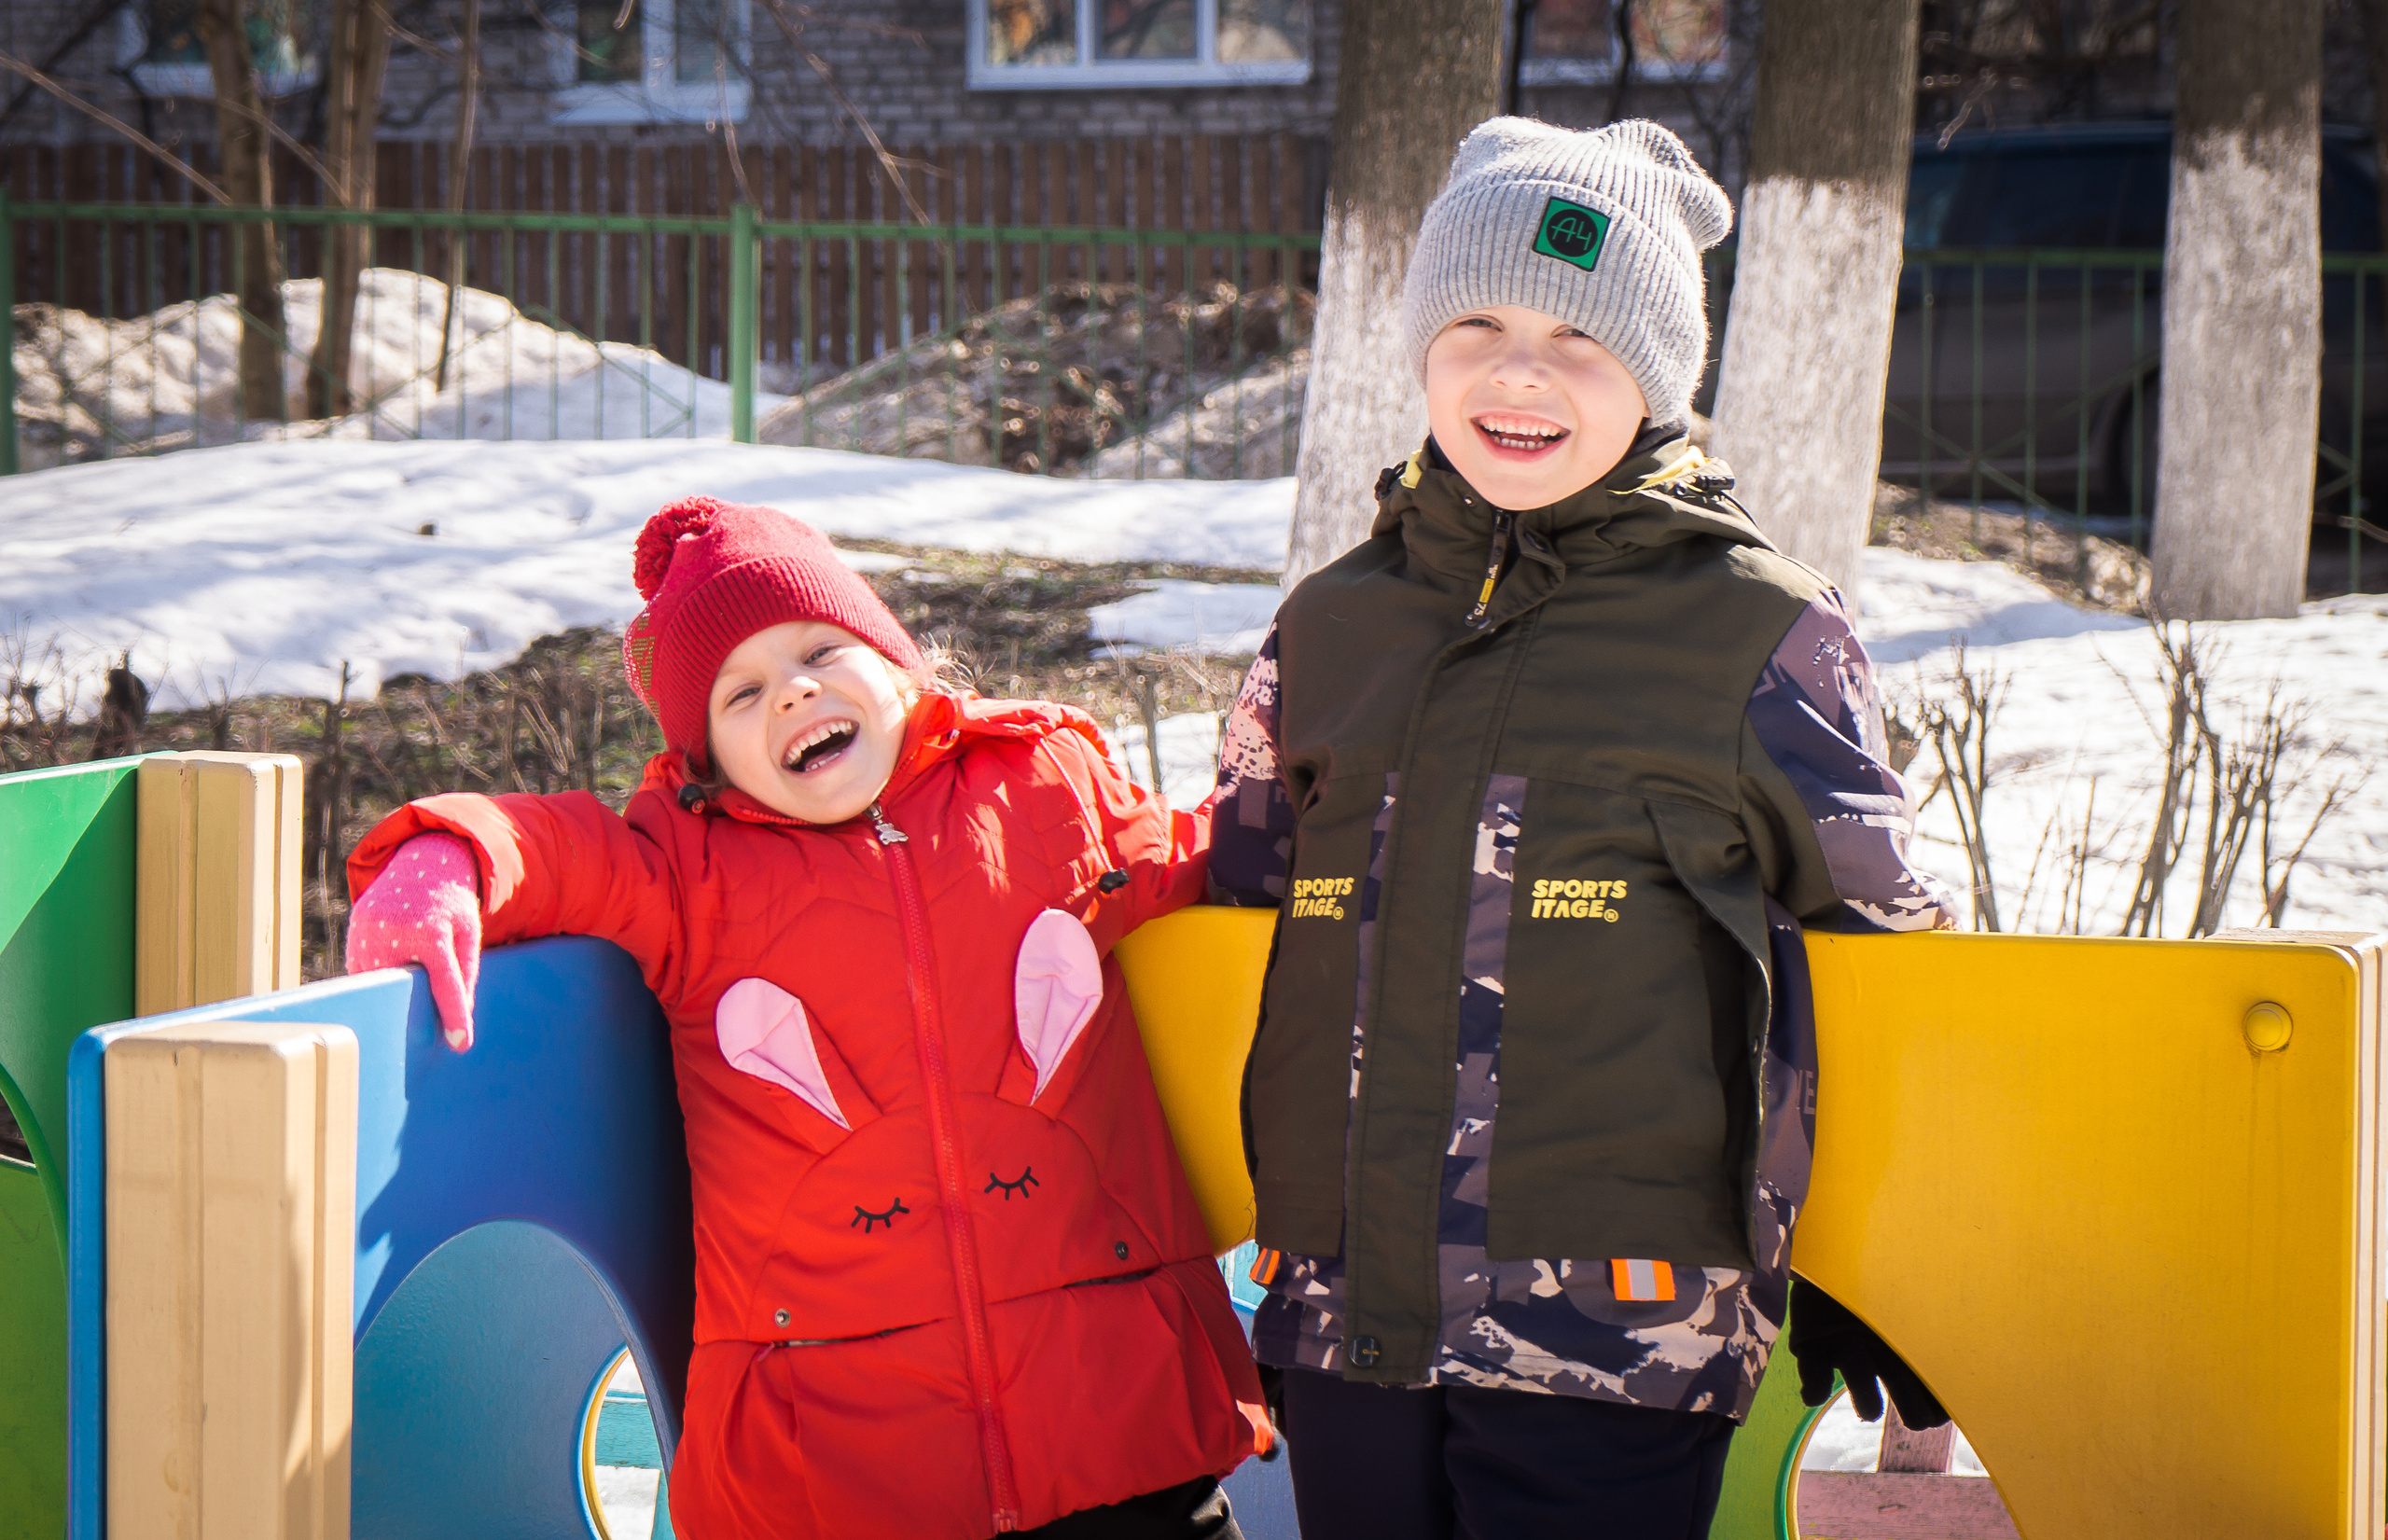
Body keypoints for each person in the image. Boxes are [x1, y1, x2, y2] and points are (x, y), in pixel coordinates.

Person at [1206, 118, 1958, 1539]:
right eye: (1475, 320)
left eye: (1581, 337)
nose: (1518, 370)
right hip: (1340, 1304)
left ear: (1661, 374)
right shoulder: (1332, 625)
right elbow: (1232, 915)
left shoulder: (1759, 630)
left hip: (1619, 1334)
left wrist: (1892, 1260)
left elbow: (1877, 947)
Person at [344, 497, 1270, 1540]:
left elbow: (1201, 852)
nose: (792, 690)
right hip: (842, 1465)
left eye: (821, 648)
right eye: (742, 693)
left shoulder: (1040, 786)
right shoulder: (688, 872)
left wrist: (1326, 829)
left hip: (1121, 1422)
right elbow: (560, 850)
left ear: (898, 663)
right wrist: (444, 858)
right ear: (708, 758)